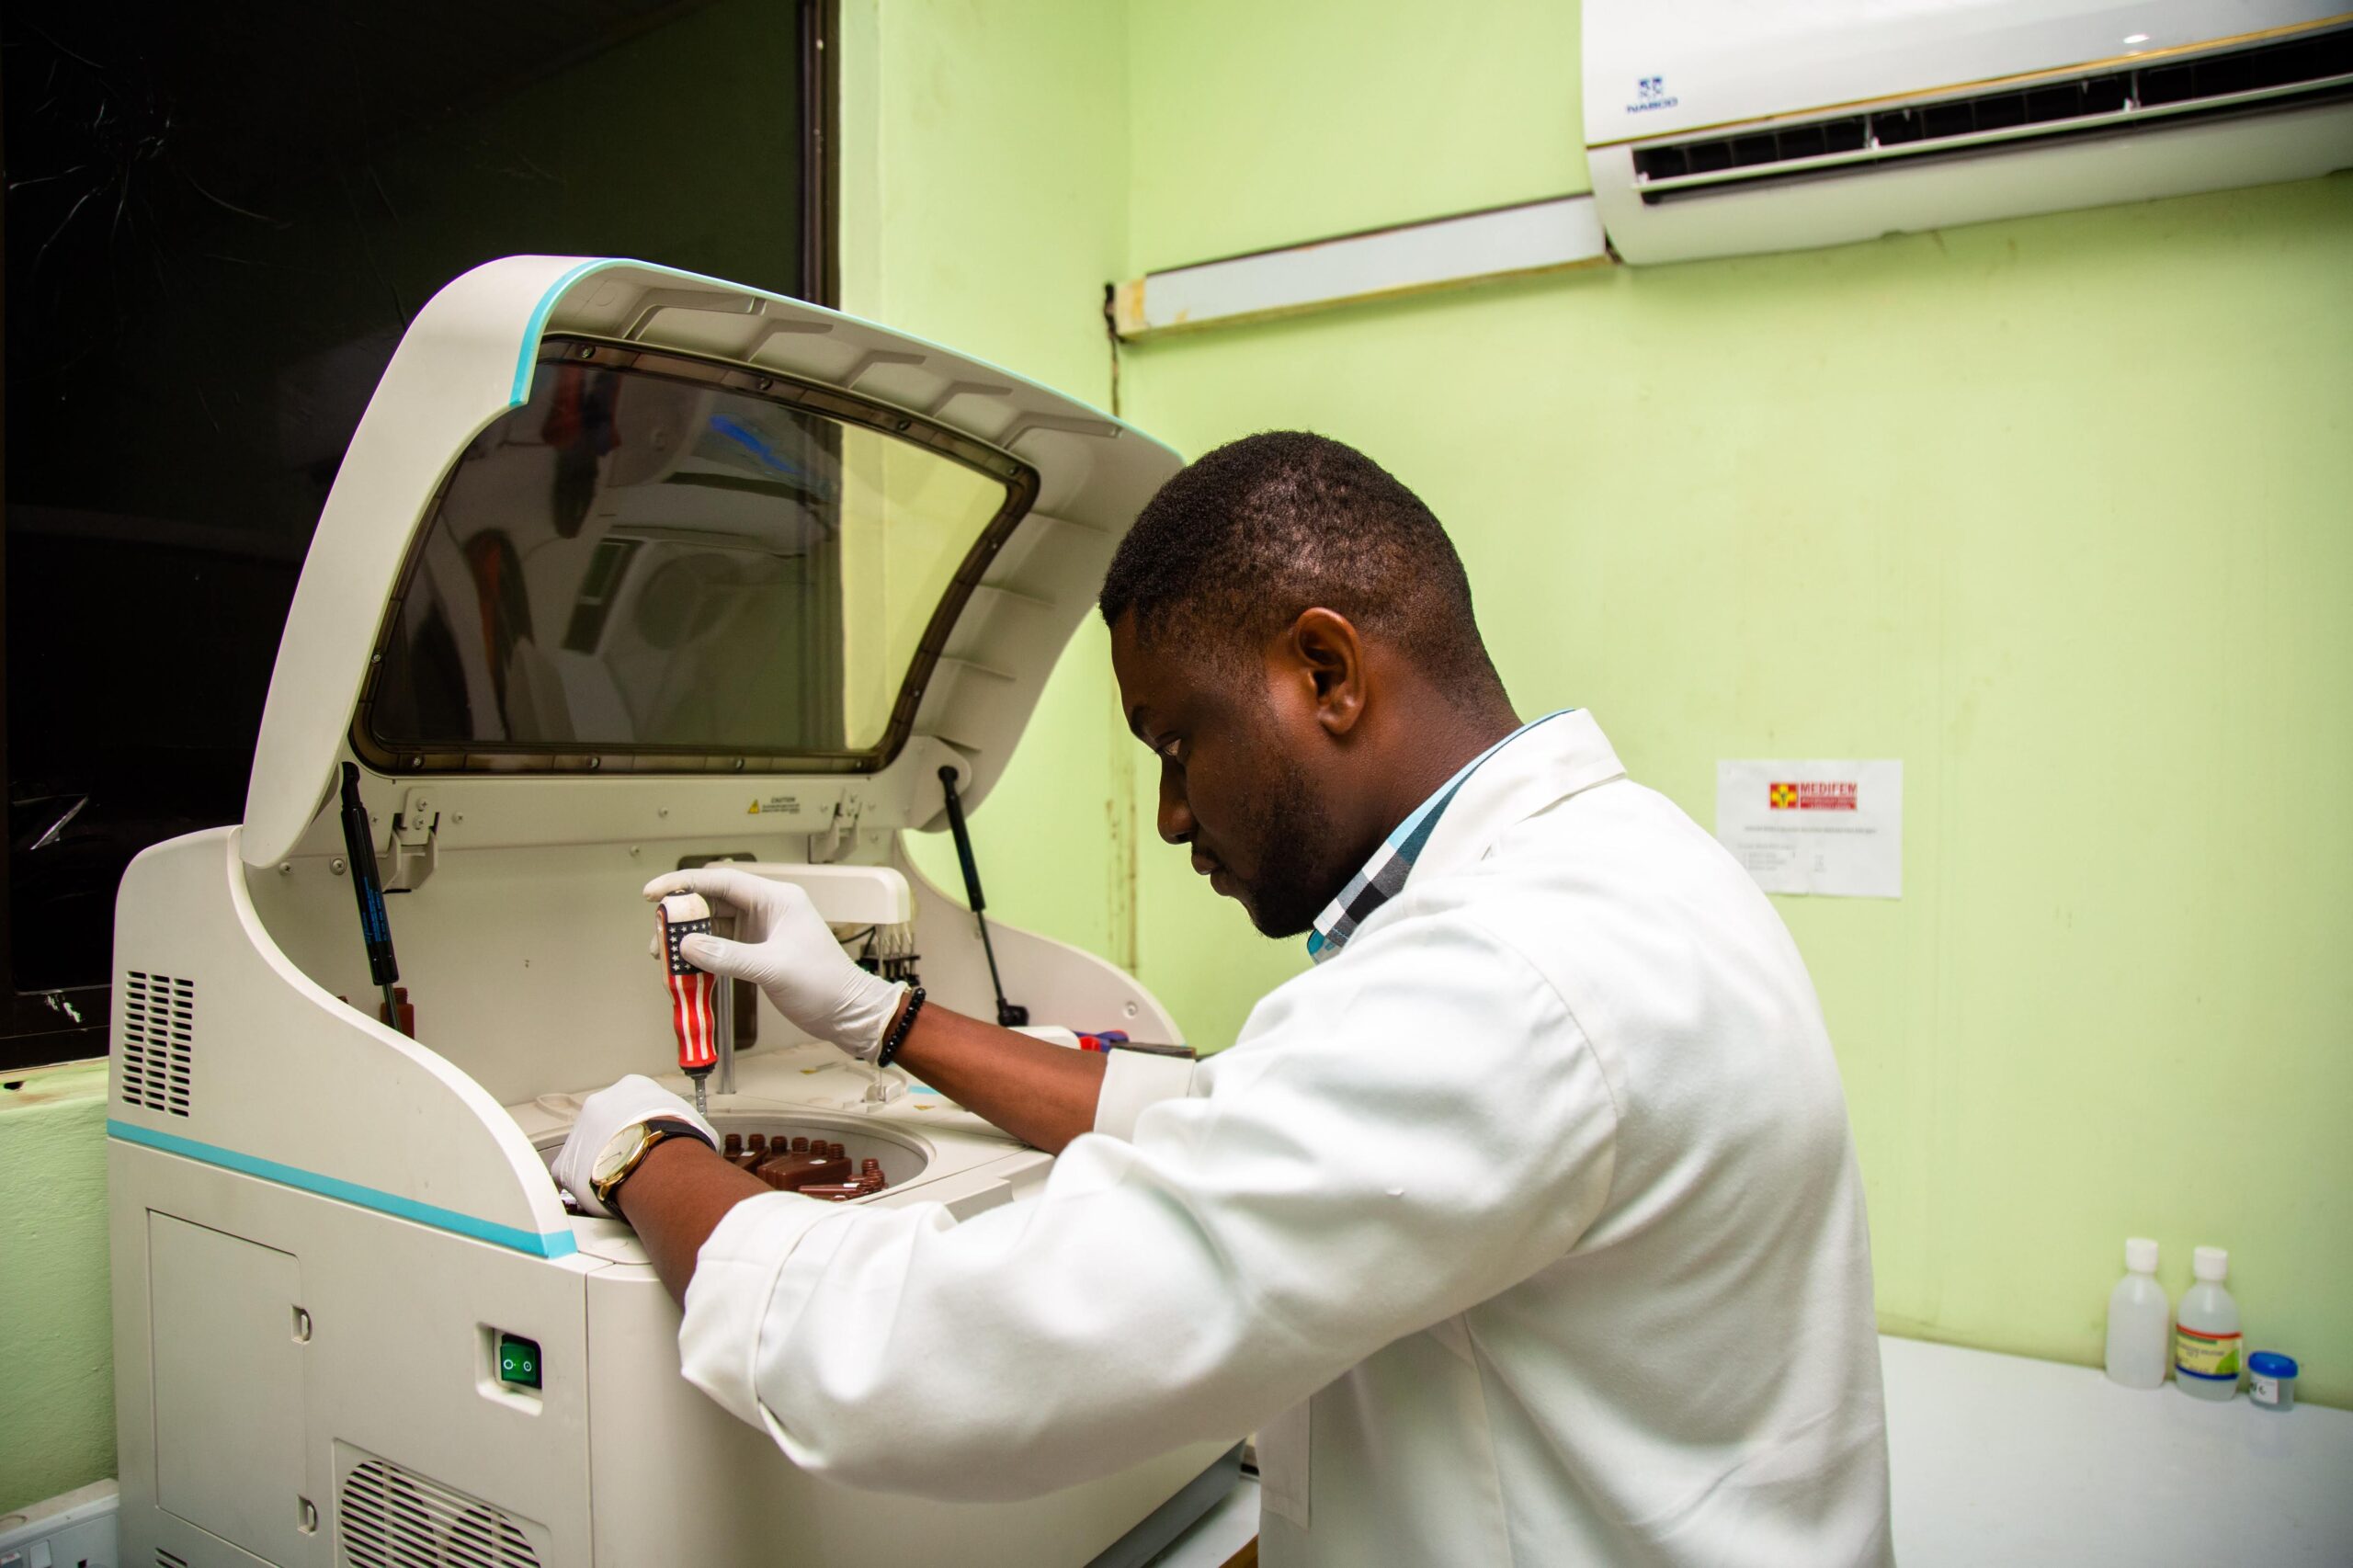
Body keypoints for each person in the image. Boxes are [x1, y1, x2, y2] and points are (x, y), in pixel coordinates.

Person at [552, 431, 1894, 1565]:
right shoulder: (1627, 865)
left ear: (1326, 672)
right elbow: (1226, 1116)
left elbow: (937, 1350)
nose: (1172, 813)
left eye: (1177, 741)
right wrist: (880, 1019)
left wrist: (645, 1153)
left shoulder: (1500, 979)